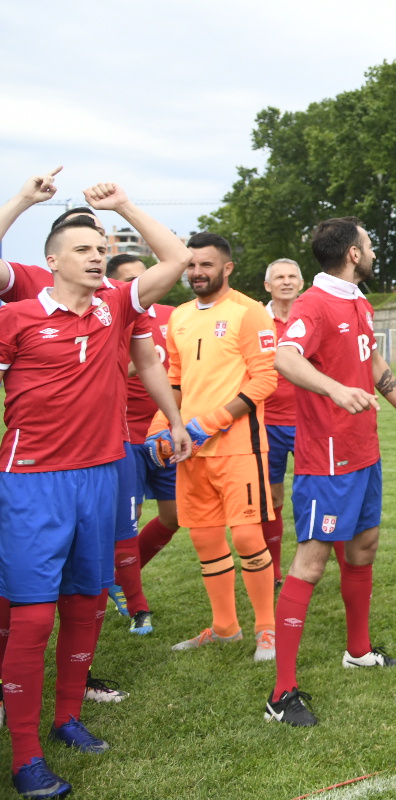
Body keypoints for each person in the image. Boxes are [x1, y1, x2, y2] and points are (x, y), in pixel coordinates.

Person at [0, 183, 191, 799]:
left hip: (103, 474)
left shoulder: (115, 307)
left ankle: (67, 718)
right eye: (82, 247)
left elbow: (179, 259)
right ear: (50, 260)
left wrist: (125, 208)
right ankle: (25, 757)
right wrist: (23, 202)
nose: (95, 255)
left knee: (85, 601)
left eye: (100, 248)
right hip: (33, 482)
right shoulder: (17, 316)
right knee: (31, 617)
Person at [267, 217, 396, 727]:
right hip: (327, 462)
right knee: (311, 564)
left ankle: (358, 651)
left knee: (363, 548)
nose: (373, 248)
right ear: (353, 253)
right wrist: (334, 390)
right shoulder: (313, 304)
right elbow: (285, 359)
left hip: (365, 452)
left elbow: (372, 361)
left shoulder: (358, 300)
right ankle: (281, 694)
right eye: (370, 241)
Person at [154, 233, 281, 662]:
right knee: (206, 541)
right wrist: (162, 429)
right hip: (191, 452)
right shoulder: (179, 317)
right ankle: (225, 628)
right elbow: (174, 380)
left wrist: (210, 422)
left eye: (205, 265)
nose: (196, 273)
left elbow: (265, 380)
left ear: (227, 267)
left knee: (247, 536)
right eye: (191, 266)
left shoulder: (248, 313)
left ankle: (268, 631)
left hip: (238, 448)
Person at [105, 252, 177, 637]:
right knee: (126, 523)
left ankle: (119, 574)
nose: (139, 286)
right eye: (129, 281)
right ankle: (136, 604)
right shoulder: (108, 317)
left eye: (143, 277)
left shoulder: (172, 314)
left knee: (174, 515)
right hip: (124, 435)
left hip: (164, 434)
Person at [262, 257, 306, 589]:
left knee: (310, 496)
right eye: (279, 277)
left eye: (292, 276)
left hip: (309, 421)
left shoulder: (312, 318)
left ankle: (306, 566)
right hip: (268, 423)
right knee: (272, 496)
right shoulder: (255, 321)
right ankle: (274, 570)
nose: (286, 281)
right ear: (268, 285)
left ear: (301, 283)